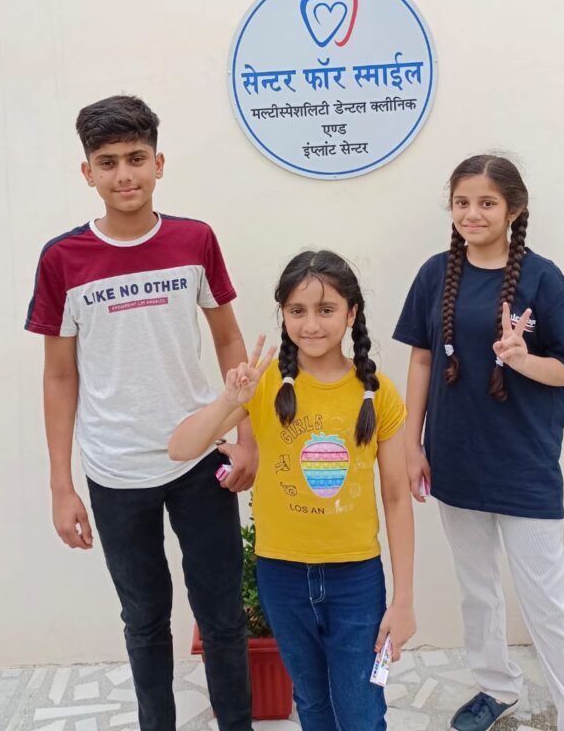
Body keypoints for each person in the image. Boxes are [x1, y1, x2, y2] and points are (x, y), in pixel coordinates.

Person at [24, 94, 256, 731]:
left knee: (222, 617)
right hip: (115, 471)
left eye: (135, 159)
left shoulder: (194, 240)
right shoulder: (62, 260)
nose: (123, 174)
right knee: (146, 619)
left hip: (201, 458)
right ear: (88, 173)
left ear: (159, 162)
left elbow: (231, 342)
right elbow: (59, 373)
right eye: (107, 162)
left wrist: (246, 437)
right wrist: (60, 484)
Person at [393, 154, 564, 731]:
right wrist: (413, 445)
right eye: (462, 202)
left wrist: (523, 359)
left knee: (547, 603)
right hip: (454, 459)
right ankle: (496, 687)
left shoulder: (543, 278)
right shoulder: (436, 273)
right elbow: (421, 358)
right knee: (477, 590)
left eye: (487, 203)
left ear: (514, 209)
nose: (472, 213)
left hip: (522, 464)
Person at [169, 249, 416, 731]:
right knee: (313, 703)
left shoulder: (378, 393)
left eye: (326, 310)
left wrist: (403, 601)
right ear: (282, 314)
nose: (311, 325)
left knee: (362, 710)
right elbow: (181, 448)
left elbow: (395, 497)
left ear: (352, 314)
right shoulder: (262, 387)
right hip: (281, 576)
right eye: (297, 311)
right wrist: (229, 401)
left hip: (356, 580)